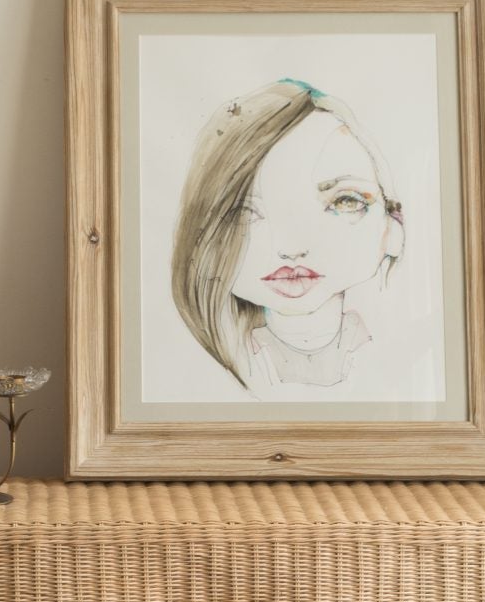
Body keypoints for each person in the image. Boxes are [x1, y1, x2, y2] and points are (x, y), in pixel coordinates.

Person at [170, 77, 404, 392]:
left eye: (344, 200)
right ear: (201, 240)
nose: (291, 248)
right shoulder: (195, 382)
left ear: (392, 227)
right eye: (244, 212)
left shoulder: (399, 365)